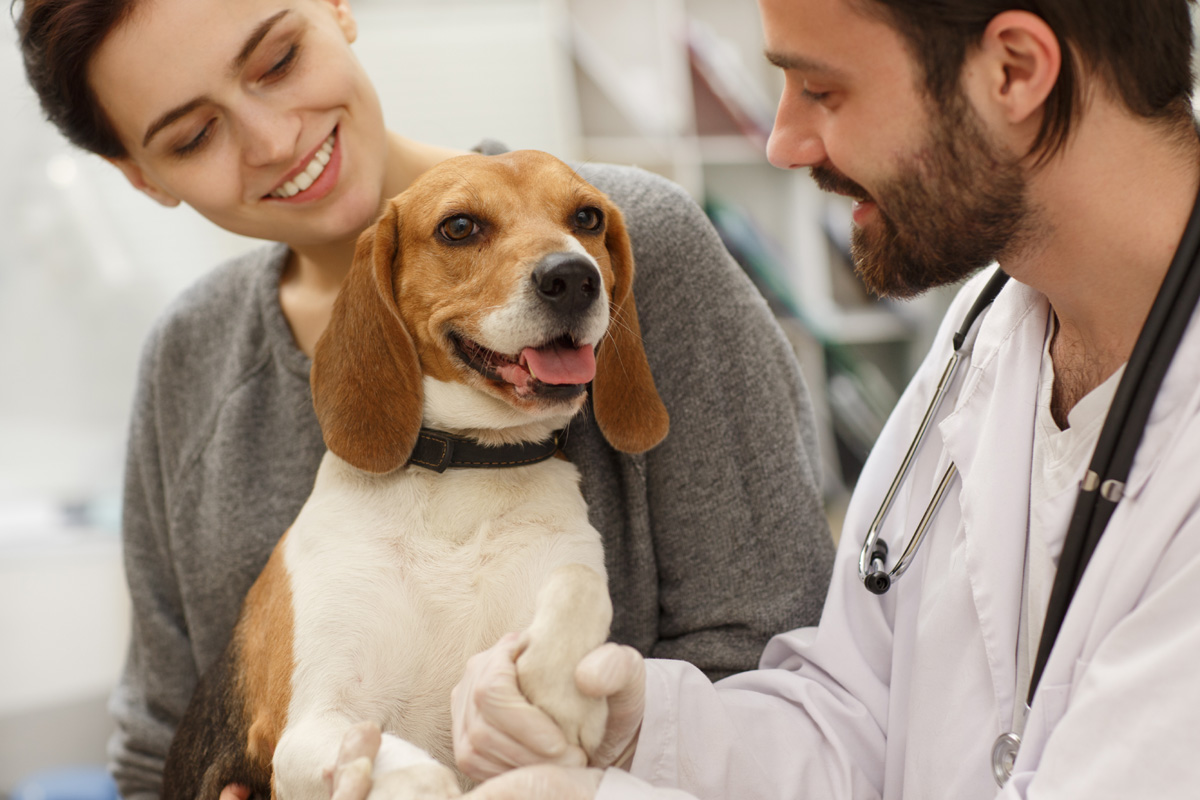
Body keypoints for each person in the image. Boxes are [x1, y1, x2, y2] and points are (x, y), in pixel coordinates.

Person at [13, 1, 837, 798]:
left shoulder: (640, 241)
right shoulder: (186, 359)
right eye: (193, 135)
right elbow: (157, 746)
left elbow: (781, 670)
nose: (273, 140)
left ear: (336, 6)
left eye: (278, 60)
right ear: (139, 175)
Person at [440, 0, 1200, 797]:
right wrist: (643, 729)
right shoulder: (991, 329)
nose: (783, 143)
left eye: (822, 90)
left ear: (1014, 70)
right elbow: (856, 719)